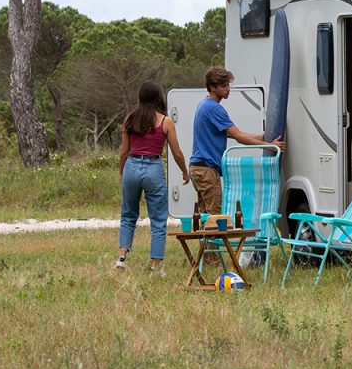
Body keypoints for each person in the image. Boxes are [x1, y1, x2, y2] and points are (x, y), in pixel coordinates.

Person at [188, 66, 286, 215]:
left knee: (205, 217)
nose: (228, 89)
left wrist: (260, 137)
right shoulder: (214, 108)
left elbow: (231, 134)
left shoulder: (204, 104)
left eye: (228, 85)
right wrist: (270, 146)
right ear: (212, 87)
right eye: (223, 86)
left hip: (198, 169)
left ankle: (205, 239)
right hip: (207, 170)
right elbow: (239, 136)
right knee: (215, 217)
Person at [116, 81, 189, 275]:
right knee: (157, 219)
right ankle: (155, 266)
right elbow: (177, 152)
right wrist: (184, 171)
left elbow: (124, 152)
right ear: (158, 98)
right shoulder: (165, 121)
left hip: (132, 165)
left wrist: (122, 171)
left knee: (128, 215)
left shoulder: (131, 119)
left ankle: (122, 258)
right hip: (153, 167)